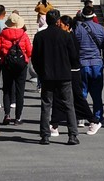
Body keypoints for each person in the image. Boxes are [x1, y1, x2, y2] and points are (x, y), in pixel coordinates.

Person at [31, 10, 80, 145]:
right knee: (68, 104)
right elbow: (74, 56)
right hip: (64, 74)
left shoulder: (40, 36)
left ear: (46, 20)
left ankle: (45, 135)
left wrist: (40, 72)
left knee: (46, 105)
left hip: (47, 75)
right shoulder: (66, 36)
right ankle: (72, 135)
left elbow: (35, 58)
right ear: (58, 21)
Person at [74, 6, 104, 123]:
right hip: (96, 62)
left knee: (82, 92)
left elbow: (75, 44)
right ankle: (98, 117)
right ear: (93, 15)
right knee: (97, 93)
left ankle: (81, 117)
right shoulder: (100, 28)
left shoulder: (78, 29)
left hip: (83, 62)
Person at [0, 12, 33, 125]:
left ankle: (7, 115)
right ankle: (18, 117)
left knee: (7, 89)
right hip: (21, 65)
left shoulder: (3, 34)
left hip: (7, 64)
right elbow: (30, 51)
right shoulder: (23, 34)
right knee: (20, 91)